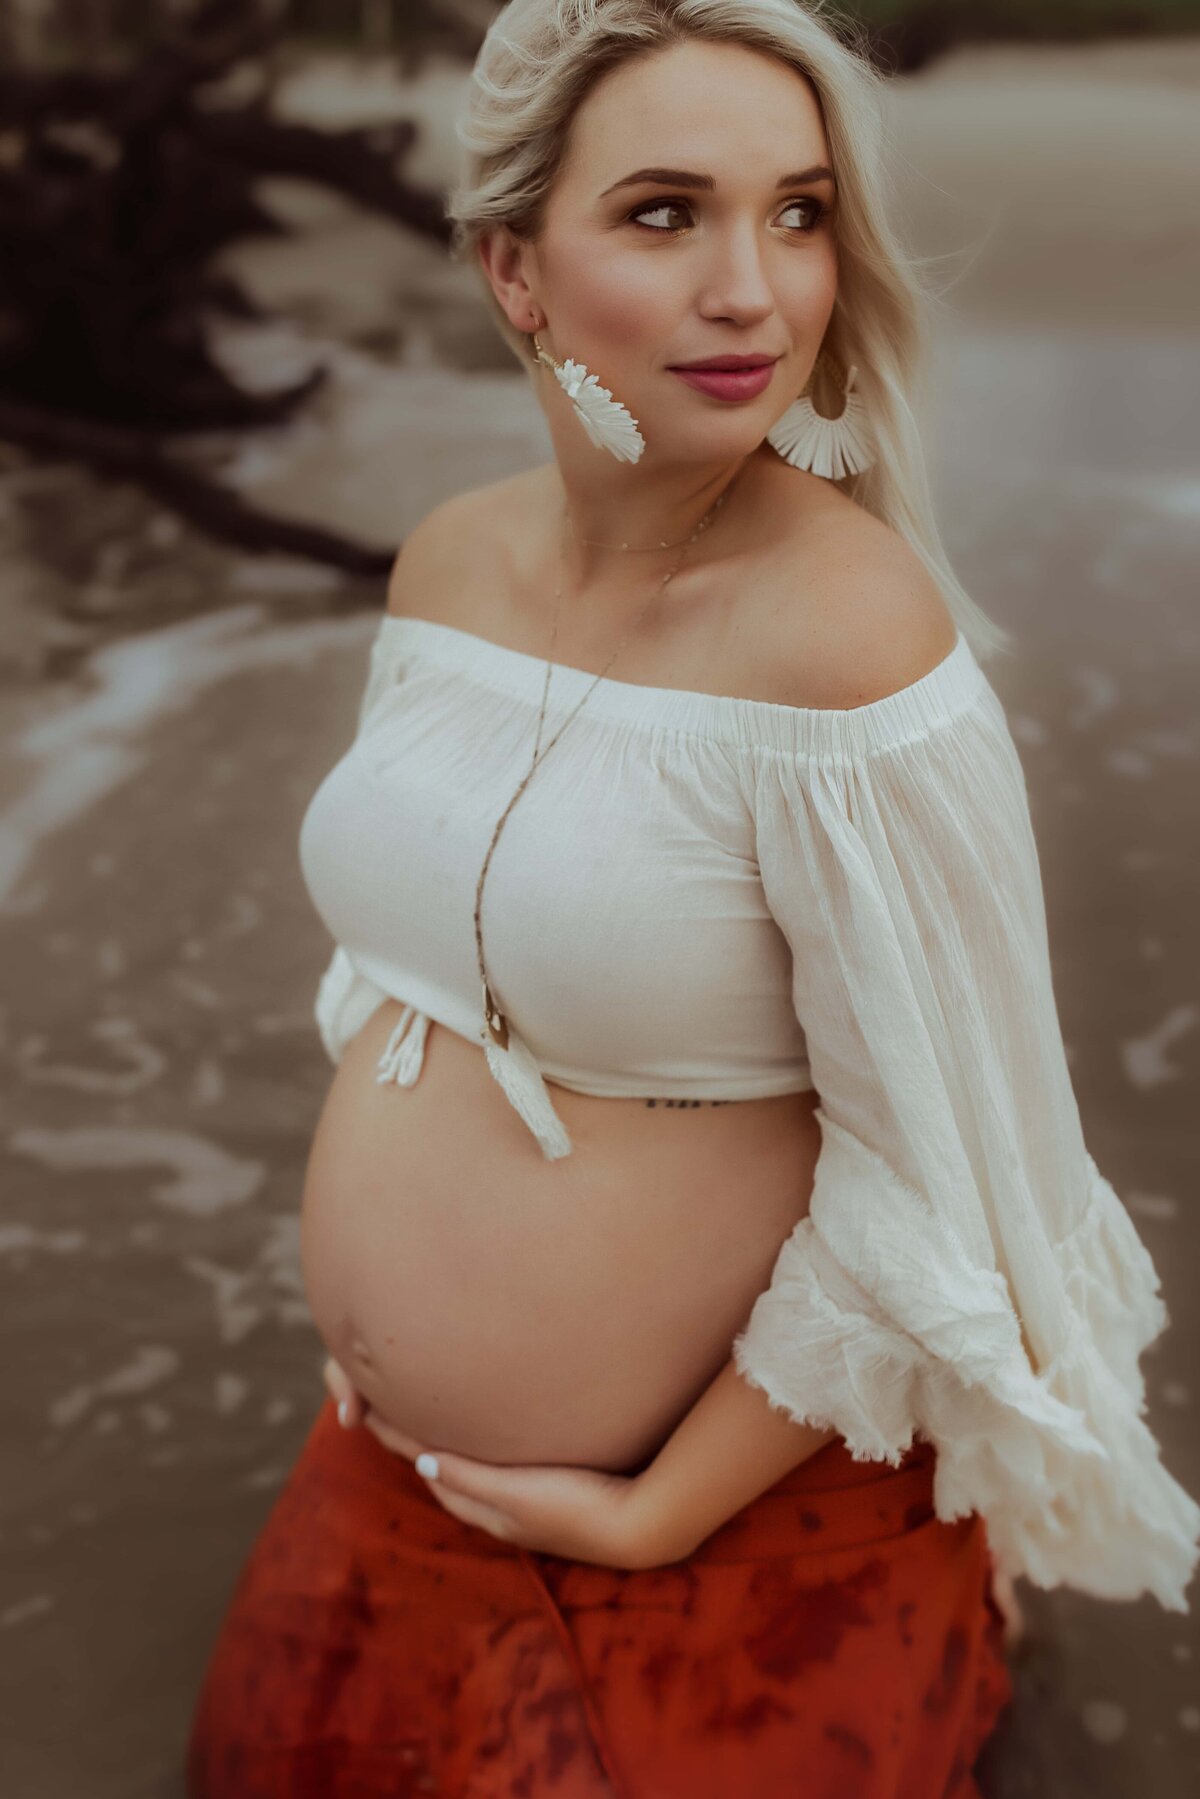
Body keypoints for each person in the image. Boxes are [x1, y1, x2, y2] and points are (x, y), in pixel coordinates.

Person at [185, 3, 1200, 1795]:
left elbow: (939, 1177)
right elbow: (400, 952)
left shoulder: (846, 643)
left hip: (709, 1544)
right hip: (387, 1491)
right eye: (667, 214)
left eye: (798, 214)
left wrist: (654, 1514)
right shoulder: (451, 562)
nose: (757, 289)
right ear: (516, 271)